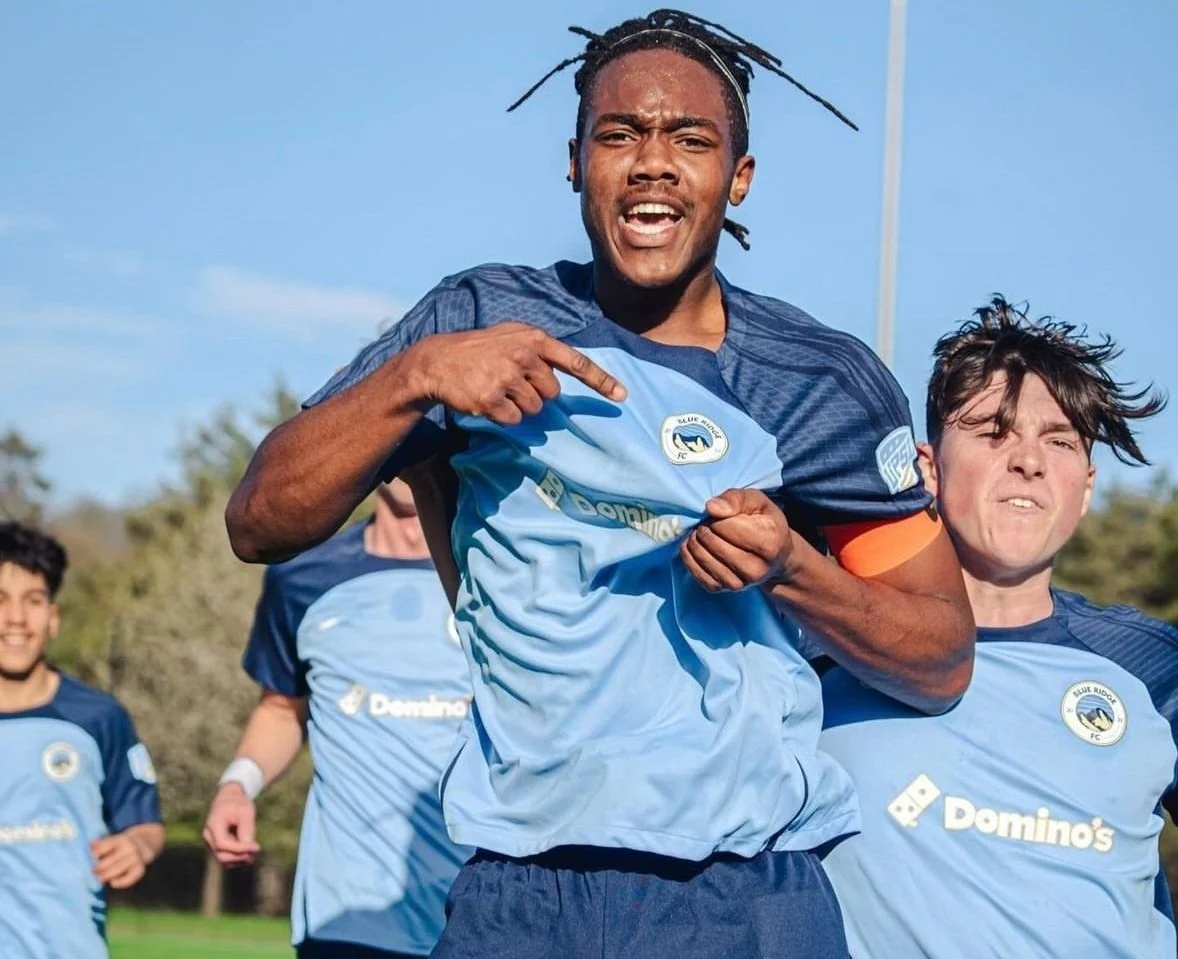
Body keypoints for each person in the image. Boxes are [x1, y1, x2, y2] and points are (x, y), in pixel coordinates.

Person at [225, 10, 975, 957]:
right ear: (575, 161)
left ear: (739, 177)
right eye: (620, 134)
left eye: (690, 139)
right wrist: (414, 375)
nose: (653, 162)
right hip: (520, 887)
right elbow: (260, 520)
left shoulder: (821, 379)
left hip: (746, 895)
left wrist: (791, 567)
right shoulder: (476, 316)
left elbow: (942, 655)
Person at [819, 296, 1177, 957]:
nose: (1029, 461)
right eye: (993, 431)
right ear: (927, 469)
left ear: (1086, 486)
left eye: (1060, 440)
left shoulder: (1153, 667)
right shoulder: (826, 642)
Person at [203, 480, 472, 959]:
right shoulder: (304, 576)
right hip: (345, 916)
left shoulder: (497, 569)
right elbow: (282, 708)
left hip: (480, 911)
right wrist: (237, 785)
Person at [0, 521, 164, 959]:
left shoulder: (97, 718)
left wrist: (136, 848)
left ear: (53, 618)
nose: (15, 618)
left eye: (33, 601)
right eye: (0, 600)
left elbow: (144, 824)